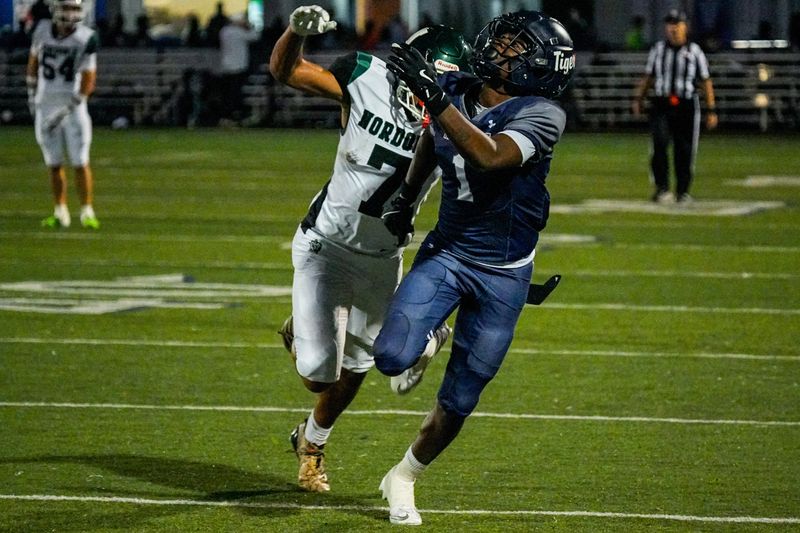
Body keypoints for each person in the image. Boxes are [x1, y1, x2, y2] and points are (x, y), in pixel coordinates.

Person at [372, 9, 575, 525]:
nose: (499, 47)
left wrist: (437, 100)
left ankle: (403, 476)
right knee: (392, 357)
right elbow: (432, 136)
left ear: (536, 67)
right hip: (450, 250)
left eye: (515, 47)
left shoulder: (542, 114)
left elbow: (491, 156)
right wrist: (407, 199)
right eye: (504, 39)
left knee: (460, 398)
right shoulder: (459, 88)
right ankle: (432, 333)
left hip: (506, 271)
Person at [268, 5, 472, 493]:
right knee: (319, 376)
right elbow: (286, 71)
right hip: (327, 245)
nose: (430, 91)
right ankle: (306, 327)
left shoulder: (453, 115)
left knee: (369, 364)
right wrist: (295, 33)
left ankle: (311, 443)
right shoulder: (366, 75)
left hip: (383, 257)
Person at [27, 0, 100, 229]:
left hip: (72, 106)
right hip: (45, 103)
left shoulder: (87, 37)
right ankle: (60, 212)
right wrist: (31, 95)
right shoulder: (41, 30)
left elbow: (89, 81)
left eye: (75, 9)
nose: (71, 13)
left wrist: (67, 109)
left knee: (80, 160)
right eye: (68, 8)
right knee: (54, 162)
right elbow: (33, 64)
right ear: (56, 10)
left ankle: (87, 211)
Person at [632, 9, 717, 204]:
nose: (673, 28)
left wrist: (711, 109)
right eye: (670, 24)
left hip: (686, 104)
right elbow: (649, 77)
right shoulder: (658, 50)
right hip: (661, 102)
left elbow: (705, 81)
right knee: (659, 144)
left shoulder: (695, 51)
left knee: (685, 149)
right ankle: (661, 188)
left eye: (677, 24)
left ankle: (683, 191)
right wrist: (639, 99)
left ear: (685, 27)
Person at [218, 12, 259, 124]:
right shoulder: (239, 32)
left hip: (226, 66)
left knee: (227, 93)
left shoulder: (224, 31)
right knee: (236, 93)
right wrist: (248, 26)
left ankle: (227, 116)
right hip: (238, 66)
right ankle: (235, 115)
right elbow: (255, 36)